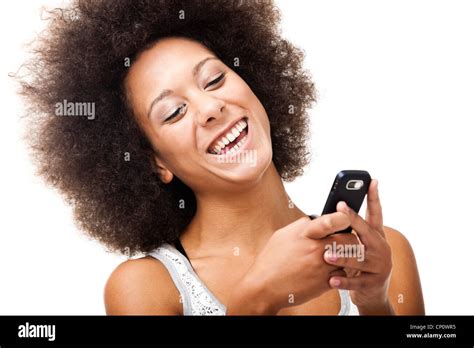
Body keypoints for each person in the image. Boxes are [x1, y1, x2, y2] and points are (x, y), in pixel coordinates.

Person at [19, 0, 424, 315]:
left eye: (214, 79)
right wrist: (257, 298)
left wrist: (375, 304)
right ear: (155, 163)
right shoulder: (146, 287)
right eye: (174, 112)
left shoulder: (384, 253)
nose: (210, 108)